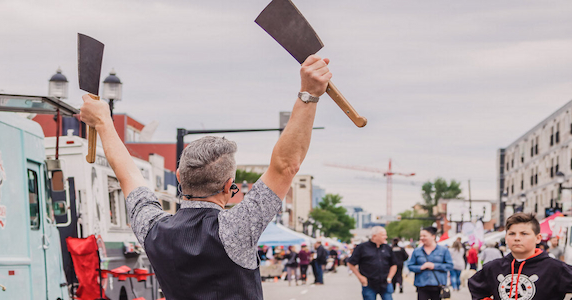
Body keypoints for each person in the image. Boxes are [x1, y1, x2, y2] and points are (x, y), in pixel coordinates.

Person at [78, 54, 333, 299]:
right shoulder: (236, 228)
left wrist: (103, 122)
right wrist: (308, 95)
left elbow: (127, 174)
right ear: (228, 186)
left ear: (179, 176)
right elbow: (285, 166)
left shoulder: (153, 230)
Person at [468, 213, 572, 300]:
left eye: (524, 233)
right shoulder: (494, 267)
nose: (517, 238)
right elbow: (476, 287)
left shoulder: (555, 268)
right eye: (512, 234)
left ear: (538, 238)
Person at [348, 227, 398, 300]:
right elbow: (351, 263)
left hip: (385, 283)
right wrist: (360, 277)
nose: (386, 237)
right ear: (374, 236)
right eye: (383, 235)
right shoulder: (362, 247)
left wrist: (389, 278)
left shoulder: (387, 248)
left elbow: (394, 264)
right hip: (369, 284)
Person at [407, 227, 453, 300]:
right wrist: (421, 267)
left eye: (424, 236)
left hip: (438, 285)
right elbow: (410, 266)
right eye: (421, 236)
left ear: (433, 236)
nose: (422, 238)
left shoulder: (443, 250)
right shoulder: (417, 251)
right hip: (422, 285)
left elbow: (450, 265)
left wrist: (434, 266)